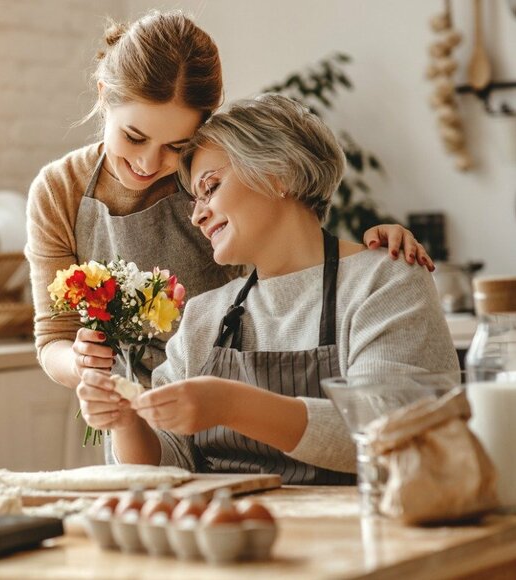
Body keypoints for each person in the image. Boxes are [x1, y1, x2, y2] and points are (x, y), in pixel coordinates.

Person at [26, 10, 433, 395]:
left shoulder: (212, 174)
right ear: (103, 96)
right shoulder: (59, 191)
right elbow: (52, 338)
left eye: (176, 145)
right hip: (130, 413)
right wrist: (83, 364)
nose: (148, 163)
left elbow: (290, 265)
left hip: (228, 399)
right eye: (133, 137)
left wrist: (366, 256)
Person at [75, 94, 460, 483]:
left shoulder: (384, 281)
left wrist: (231, 404)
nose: (197, 214)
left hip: (361, 532)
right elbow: (167, 463)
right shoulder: (205, 315)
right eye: (195, 199)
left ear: (279, 173)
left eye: (211, 187)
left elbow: (390, 431)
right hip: (234, 535)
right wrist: (126, 421)